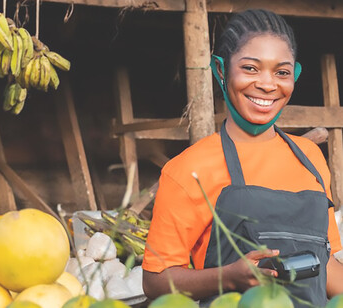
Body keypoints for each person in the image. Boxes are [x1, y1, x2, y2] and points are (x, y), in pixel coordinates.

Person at [142, 9, 343, 307]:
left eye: (282, 72)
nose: (267, 84)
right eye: (250, 68)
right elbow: (155, 281)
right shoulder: (188, 168)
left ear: (295, 76)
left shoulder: (310, 158)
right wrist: (228, 277)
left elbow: (323, 264)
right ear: (221, 70)